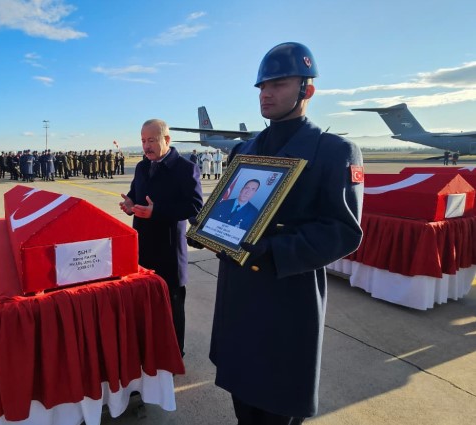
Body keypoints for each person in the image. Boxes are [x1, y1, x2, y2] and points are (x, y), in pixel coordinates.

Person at [202, 42, 364, 424]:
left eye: (279, 83)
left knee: (277, 404)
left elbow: (342, 231)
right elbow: (230, 206)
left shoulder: (333, 150)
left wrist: (274, 250)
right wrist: (209, 228)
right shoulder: (245, 149)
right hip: (239, 297)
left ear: (307, 89)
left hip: (286, 299)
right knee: (243, 399)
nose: (267, 93)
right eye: (262, 86)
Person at [119, 118, 203, 357]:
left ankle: (176, 353)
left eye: (152, 140)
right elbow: (136, 195)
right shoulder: (143, 167)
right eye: (143, 141)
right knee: (147, 303)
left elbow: (196, 208)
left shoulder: (185, 169)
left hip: (169, 250)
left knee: (173, 303)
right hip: (143, 247)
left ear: (167, 140)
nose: (146, 146)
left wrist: (158, 211)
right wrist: (129, 204)